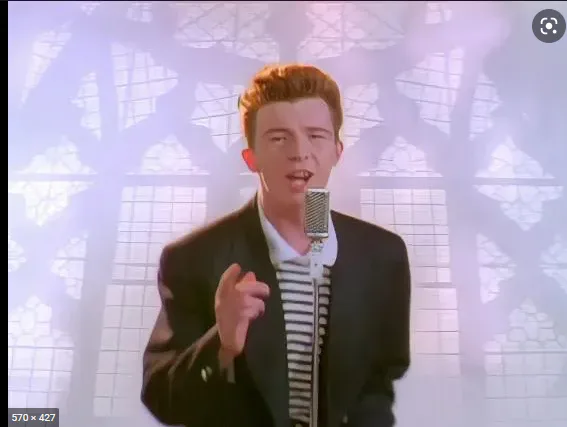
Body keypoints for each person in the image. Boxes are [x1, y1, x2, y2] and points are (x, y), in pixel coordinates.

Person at [141, 64, 411, 427]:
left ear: (337, 151)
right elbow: (163, 398)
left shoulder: (383, 255)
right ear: (251, 157)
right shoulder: (193, 259)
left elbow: (380, 381)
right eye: (279, 138)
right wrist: (221, 344)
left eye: (315, 135)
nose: (299, 152)